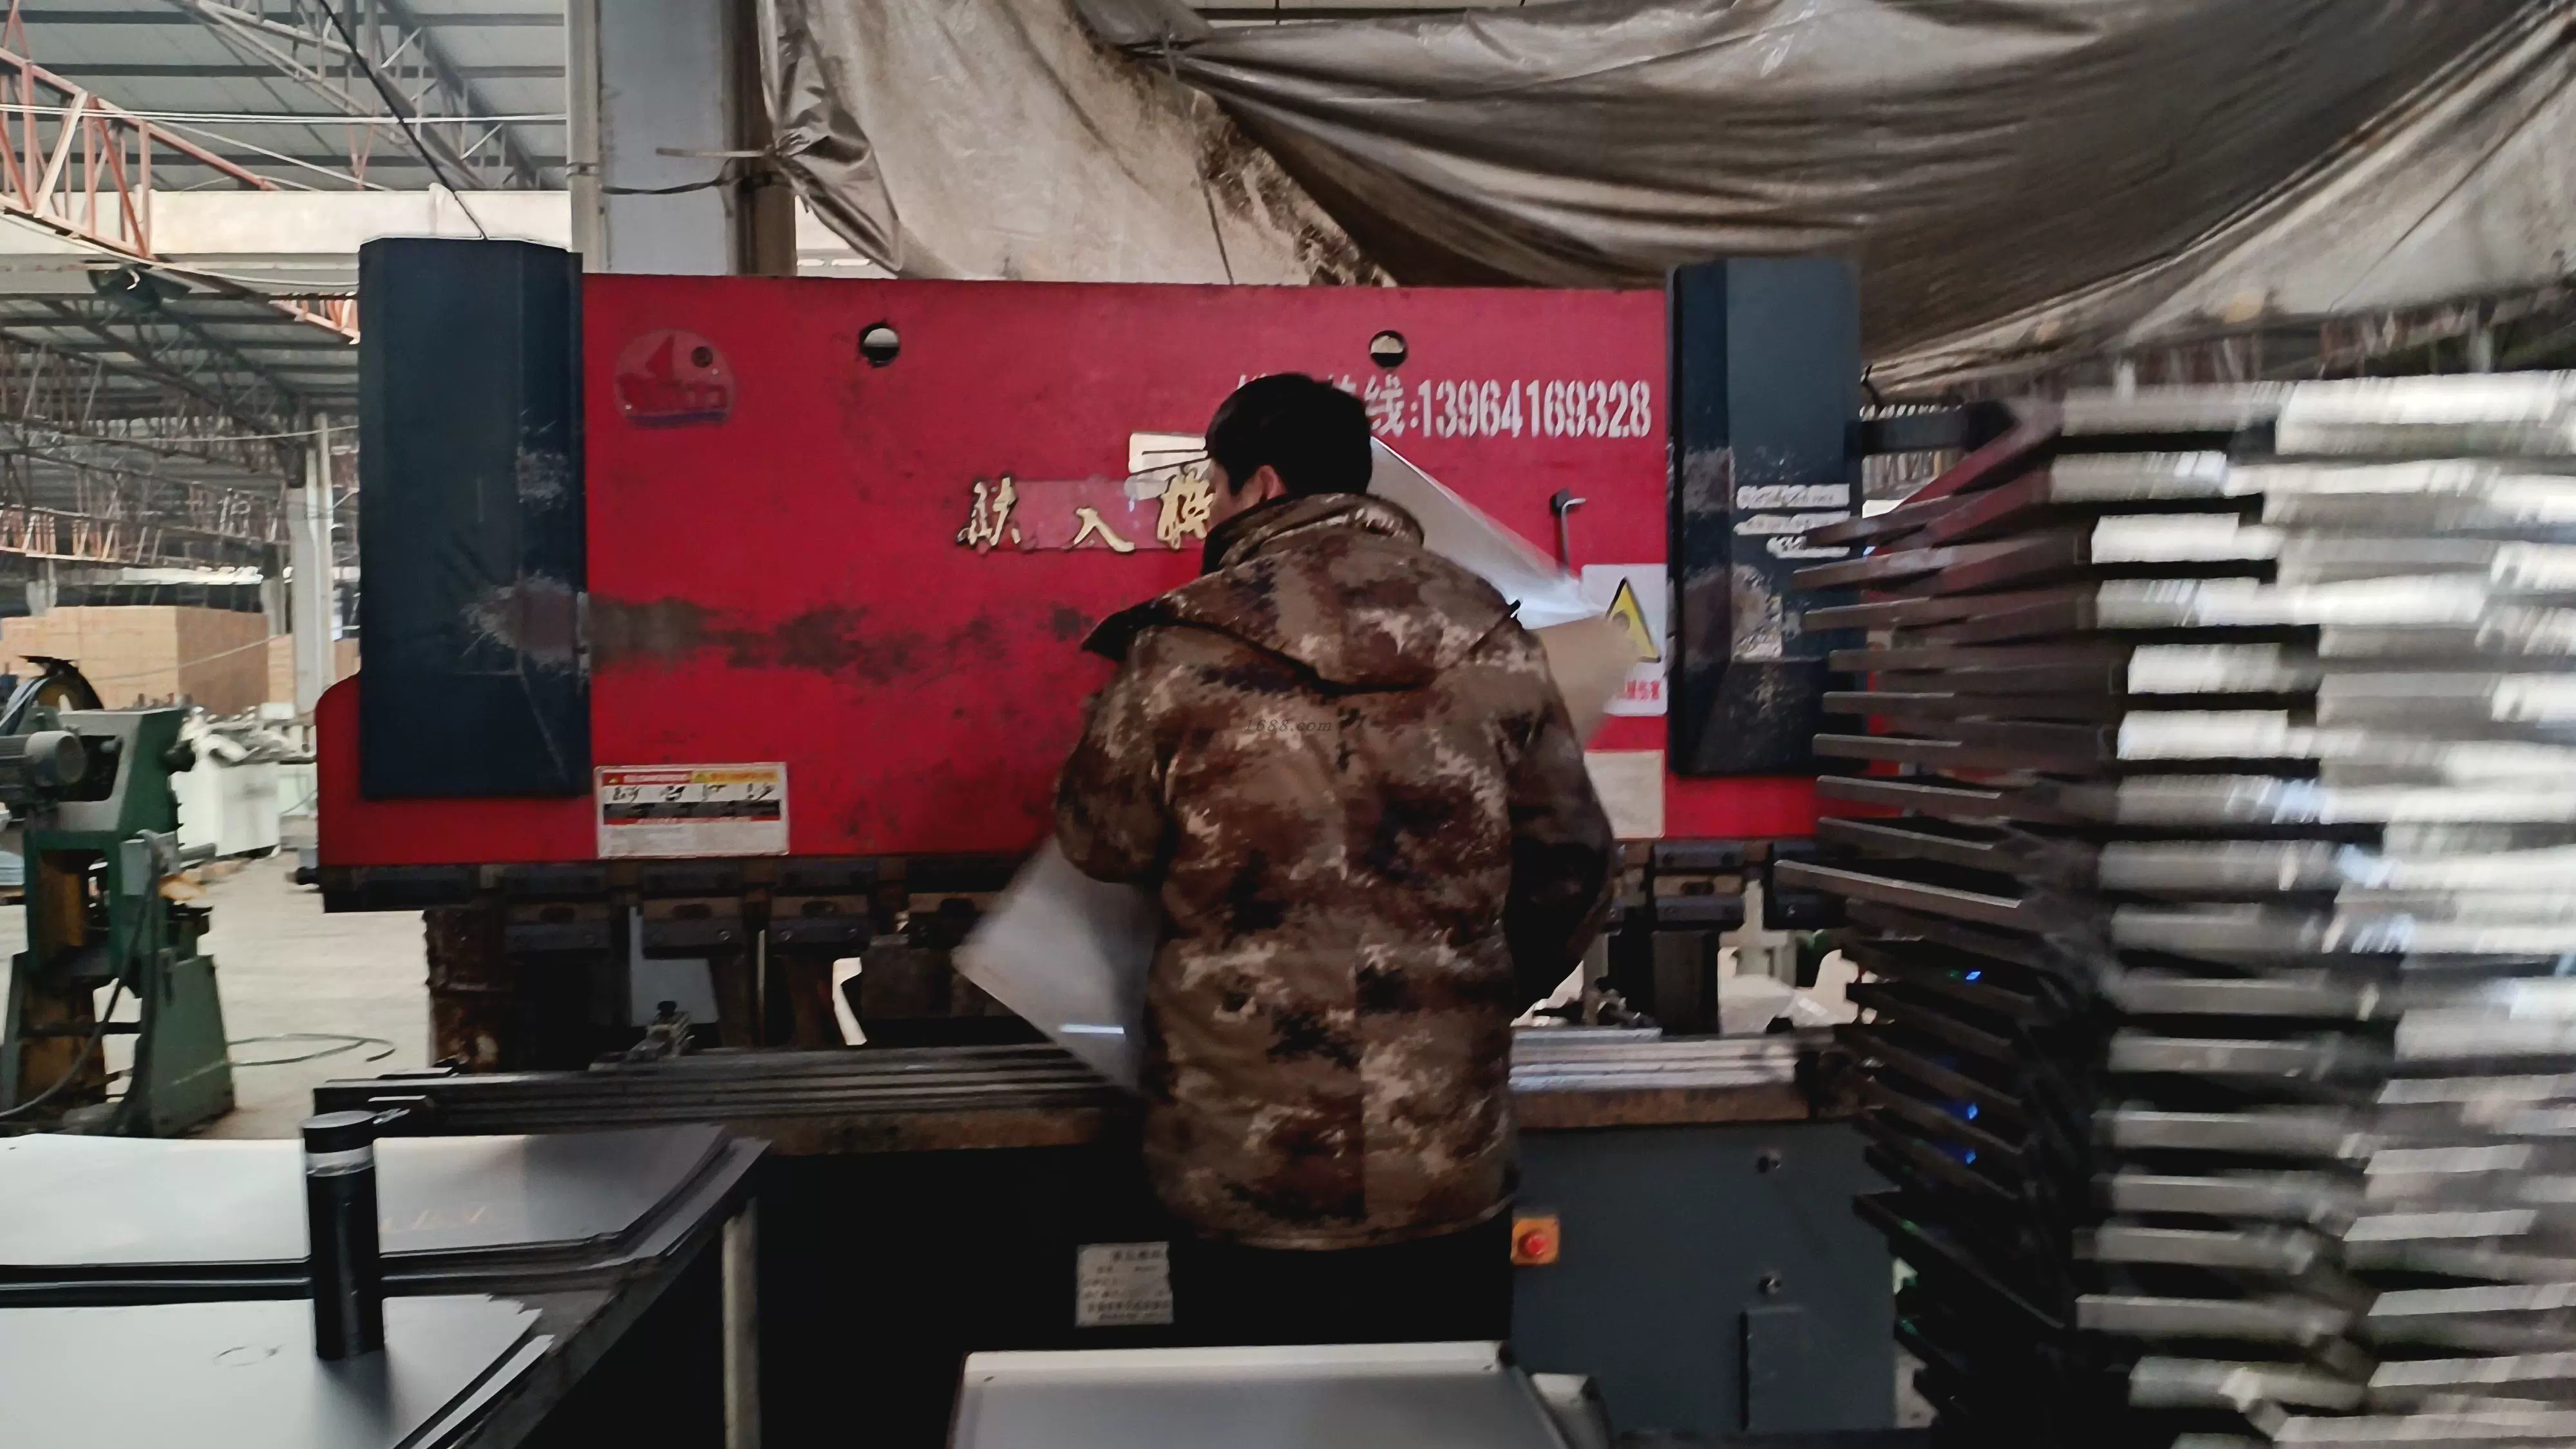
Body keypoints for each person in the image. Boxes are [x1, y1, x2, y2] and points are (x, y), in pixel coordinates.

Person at [1054, 372, 1616, 1345]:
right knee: (1438, 1406)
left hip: (1243, 1163)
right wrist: (1462, 998)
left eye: (1215, 487)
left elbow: (1102, 842)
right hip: (1440, 1152)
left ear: (1262, 485)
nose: (1211, 510)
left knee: (1248, 1406)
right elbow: (1574, 867)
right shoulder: (1487, 630)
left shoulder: (1179, 646)